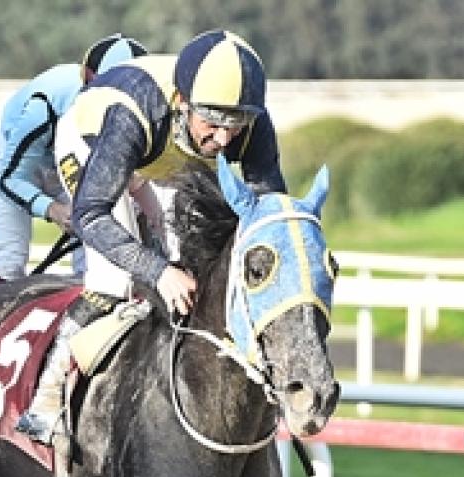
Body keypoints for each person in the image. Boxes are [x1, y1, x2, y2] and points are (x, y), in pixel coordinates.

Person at [17, 28, 286, 442]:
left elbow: (269, 214)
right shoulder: (133, 114)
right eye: (213, 123)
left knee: (197, 265)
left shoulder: (250, 121)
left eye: (236, 125)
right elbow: (90, 215)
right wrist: (158, 270)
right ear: (183, 102)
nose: (224, 139)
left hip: (163, 152)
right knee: (116, 279)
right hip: (95, 141)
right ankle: (46, 396)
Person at [0, 33, 149, 301]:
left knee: (95, 268)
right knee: (6, 265)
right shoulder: (43, 106)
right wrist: (52, 209)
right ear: (89, 78)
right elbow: (11, 179)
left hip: (78, 156)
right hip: (22, 161)